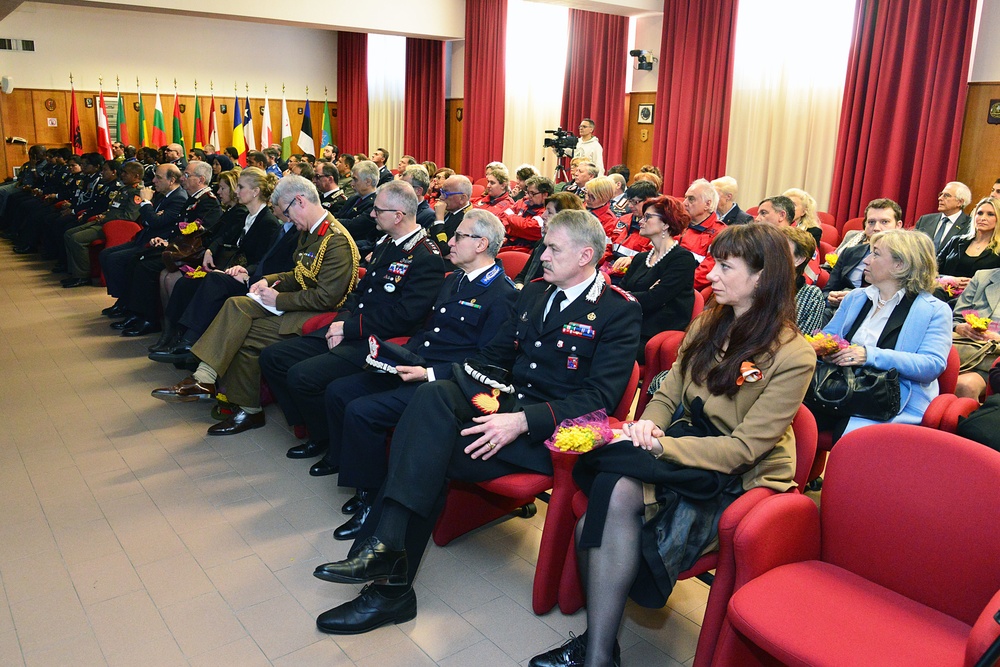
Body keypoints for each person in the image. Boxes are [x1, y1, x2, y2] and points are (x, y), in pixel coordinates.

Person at [311, 210, 641, 635]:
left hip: (551, 434)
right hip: (500, 408)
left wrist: (521, 421)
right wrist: (434, 374)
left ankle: (387, 582)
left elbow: (600, 400)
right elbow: (493, 360)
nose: (542, 256)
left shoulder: (617, 311)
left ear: (586, 255)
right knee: (431, 400)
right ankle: (387, 556)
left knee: (427, 448)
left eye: (553, 249)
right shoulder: (536, 294)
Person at [530, 223, 815, 667]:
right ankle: (600, 652)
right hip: (685, 442)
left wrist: (661, 447)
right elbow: (666, 393)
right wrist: (647, 427)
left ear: (762, 278)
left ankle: (596, 651)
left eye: (724, 266)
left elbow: (743, 450)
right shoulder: (708, 321)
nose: (711, 273)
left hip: (737, 473)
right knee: (609, 491)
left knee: (604, 501)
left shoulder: (794, 353)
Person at [310, 211, 517, 542]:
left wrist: (428, 372)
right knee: (339, 391)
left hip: (447, 385)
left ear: (481, 244)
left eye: (459, 236)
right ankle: (358, 473)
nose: (450, 241)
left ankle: (372, 499)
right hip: (418, 366)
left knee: (363, 411)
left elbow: (487, 364)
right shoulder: (454, 279)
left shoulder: (503, 296)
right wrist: (396, 358)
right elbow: (429, 331)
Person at [149, 175, 360, 435]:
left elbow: (327, 298)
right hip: (300, 306)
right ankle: (211, 384)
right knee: (237, 306)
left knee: (243, 331)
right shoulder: (312, 232)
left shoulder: (335, 239)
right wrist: (266, 281)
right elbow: (298, 274)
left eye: (286, 212)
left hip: (321, 316)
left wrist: (278, 298)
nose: (286, 219)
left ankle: (238, 403)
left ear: (300, 201)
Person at [258, 180, 445, 460]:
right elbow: (361, 292)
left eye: (378, 210)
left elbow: (405, 316)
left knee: (302, 375)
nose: (372, 214)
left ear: (398, 215)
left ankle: (330, 443)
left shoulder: (425, 255)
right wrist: (340, 324)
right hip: (353, 326)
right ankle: (314, 428)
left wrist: (347, 327)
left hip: (379, 339)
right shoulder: (386, 243)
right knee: (274, 357)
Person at [819, 229, 951, 438]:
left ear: (900, 265)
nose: (867, 261)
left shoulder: (935, 310)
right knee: (794, 415)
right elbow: (828, 336)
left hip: (892, 399)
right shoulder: (856, 297)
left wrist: (868, 355)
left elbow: (931, 365)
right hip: (842, 386)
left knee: (848, 431)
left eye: (876, 254)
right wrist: (824, 347)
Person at [150, 168, 280, 357]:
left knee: (211, 282)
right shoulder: (248, 216)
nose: (236, 191)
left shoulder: (267, 222)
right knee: (185, 284)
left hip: (249, 277)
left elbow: (264, 261)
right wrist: (211, 250)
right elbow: (224, 235)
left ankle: (190, 341)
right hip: (233, 270)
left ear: (255, 191)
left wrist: (243, 269)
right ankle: (175, 335)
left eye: (241, 187)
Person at [617, 195, 698, 361]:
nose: (640, 221)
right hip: (630, 324)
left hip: (655, 333)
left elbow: (654, 299)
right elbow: (620, 292)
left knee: (607, 350)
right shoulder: (641, 258)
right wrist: (641, 294)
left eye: (647, 217)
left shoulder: (682, 259)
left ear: (666, 223)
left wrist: (632, 296)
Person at [514, 192, 586, 287]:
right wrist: (519, 286)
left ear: (564, 218)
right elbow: (522, 276)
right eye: (545, 210)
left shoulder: (573, 251)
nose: (543, 216)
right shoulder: (542, 242)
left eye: (550, 212)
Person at [950, 268, 1000, 400]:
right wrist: (960, 327)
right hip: (966, 351)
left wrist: (998, 338)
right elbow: (955, 320)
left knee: (965, 385)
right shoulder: (982, 277)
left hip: (994, 362)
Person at [936, 196, 1000, 291]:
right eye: (980, 213)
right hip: (943, 293)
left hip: (977, 300)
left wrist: (976, 284)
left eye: (990, 214)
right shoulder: (956, 241)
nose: (983, 218)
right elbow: (932, 270)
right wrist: (950, 280)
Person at [680, 178, 726, 290]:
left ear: (707, 204)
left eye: (691, 199)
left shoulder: (721, 233)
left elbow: (707, 271)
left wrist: (674, 283)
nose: (684, 203)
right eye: (685, 198)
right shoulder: (680, 225)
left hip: (689, 291)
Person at [780, 226, 826, 334]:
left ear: (799, 259)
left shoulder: (811, 296)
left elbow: (804, 342)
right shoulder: (756, 283)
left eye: (782, 249)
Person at [914, 181, 973, 253]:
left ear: (960, 202)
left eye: (946, 195)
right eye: (941, 194)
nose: (940, 198)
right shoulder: (924, 220)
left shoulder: (970, 225)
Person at [582, 176, 618, 240]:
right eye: (585, 193)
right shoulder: (579, 206)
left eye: (592, 197)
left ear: (604, 198)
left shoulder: (610, 221)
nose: (587, 198)